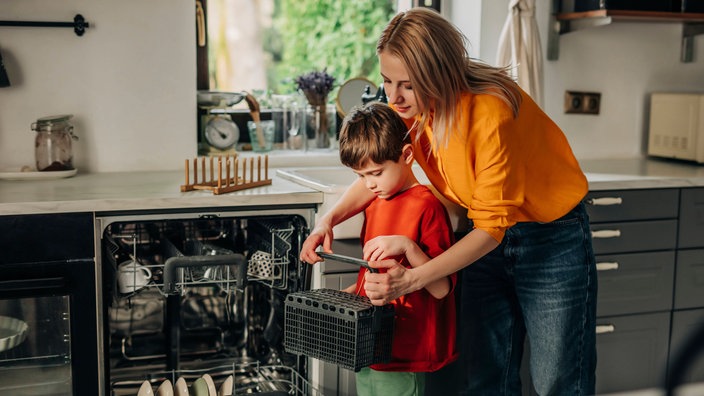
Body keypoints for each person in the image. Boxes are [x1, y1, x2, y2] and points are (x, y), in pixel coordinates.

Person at [300, 7, 597, 396]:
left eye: (406, 83)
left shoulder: (490, 113)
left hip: (550, 240)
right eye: (387, 81)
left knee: (558, 380)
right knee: (487, 375)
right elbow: (379, 168)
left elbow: (494, 228)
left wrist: (410, 279)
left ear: (438, 75)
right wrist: (328, 221)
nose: (394, 96)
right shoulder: (411, 110)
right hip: (483, 239)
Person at [334, 102, 458, 396]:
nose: (369, 184)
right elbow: (377, 277)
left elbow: (441, 288)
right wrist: (351, 294)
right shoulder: (375, 203)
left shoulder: (427, 206)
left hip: (404, 350)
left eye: (376, 173)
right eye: (361, 177)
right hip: (369, 345)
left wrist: (408, 246)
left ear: (406, 156)